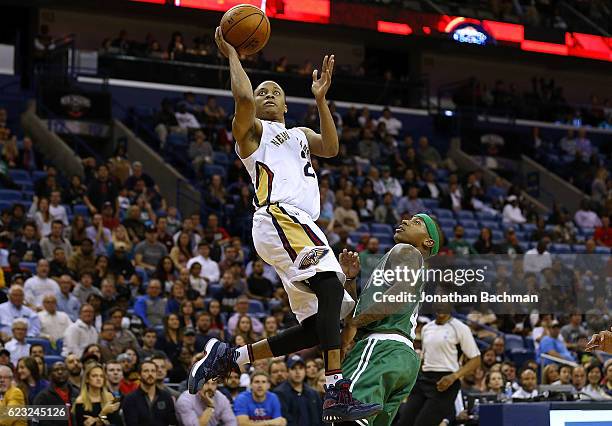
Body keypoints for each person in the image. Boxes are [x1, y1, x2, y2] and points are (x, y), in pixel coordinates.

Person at [189, 28, 377, 424]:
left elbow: (332, 148)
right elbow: (241, 97)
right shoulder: (253, 134)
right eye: (263, 91)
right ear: (255, 105)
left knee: (319, 324)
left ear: (287, 105)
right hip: (279, 217)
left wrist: (321, 100)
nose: (268, 94)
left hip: (302, 226)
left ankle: (233, 356)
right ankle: (336, 389)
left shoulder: (300, 134)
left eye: (276, 91)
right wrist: (232, 54)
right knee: (329, 283)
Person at [337, 214, 444, 426]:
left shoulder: (406, 250)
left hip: (380, 347)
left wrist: (355, 323)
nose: (405, 221)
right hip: (402, 357)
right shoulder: (406, 264)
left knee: (346, 418)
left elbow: (399, 294)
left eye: (416, 222)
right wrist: (350, 280)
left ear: (428, 241)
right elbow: (354, 314)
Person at [397, 304, 481, 426]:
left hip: (446, 382)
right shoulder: (427, 328)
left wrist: (454, 377)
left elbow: (476, 359)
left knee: (423, 423)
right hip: (424, 379)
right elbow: (425, 358)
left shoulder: (460, 328)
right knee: (404, 421)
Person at [121, 360, 177, 426]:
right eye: (146, 371)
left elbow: (172, 422)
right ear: (139, 375)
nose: (150, 374)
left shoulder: (166, 397)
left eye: (153, 371)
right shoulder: (130, 399)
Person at [273, 355, 323, 426]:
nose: (297, 372)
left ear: (305, 371)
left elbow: (321, 418)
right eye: (293, 368)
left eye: (301, 368)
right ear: (287, 372)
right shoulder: (279, 393)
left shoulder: (313, 393)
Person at [33, 361, 80, 426]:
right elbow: (35, 422)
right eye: (56, 370)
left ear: (68, 373)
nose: (60, 372)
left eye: (63, 369)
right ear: (50, 375)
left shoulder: (77, 394)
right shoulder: (42, 398)